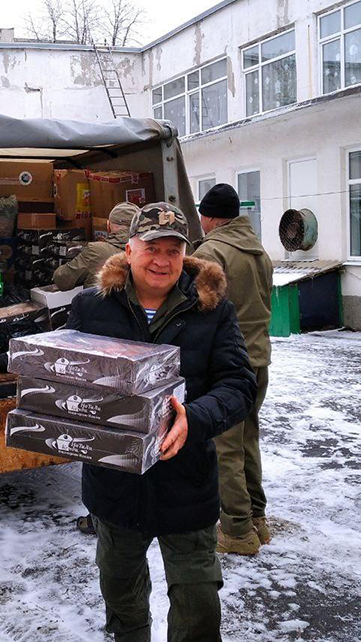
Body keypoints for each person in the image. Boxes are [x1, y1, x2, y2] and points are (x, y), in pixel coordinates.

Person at [66, 202, 256, 642]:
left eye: (174, 250)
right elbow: (68, 375)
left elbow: (239, 384)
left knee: (198, 607)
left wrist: (198, 419)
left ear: (186, 254)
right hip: (115, 485)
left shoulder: (212, 311)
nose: (162, 260)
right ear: (129, 249)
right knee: (122, 598)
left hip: (185, 485)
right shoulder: (93, 307)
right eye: (152, 247)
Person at [192, 183, 273, 556]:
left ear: (208, 216)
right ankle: (257, 517)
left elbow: (200, 312)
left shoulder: (210, 252)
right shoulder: (259, 251)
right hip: (258, 360)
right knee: (247, 439)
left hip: (226, 366)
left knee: (224, 447)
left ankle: (237, 531)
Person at [52, 202, 140, 291]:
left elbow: (62, 280)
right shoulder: (147, 252)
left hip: (101, 304)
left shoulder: (96, 250)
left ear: (108, 226)